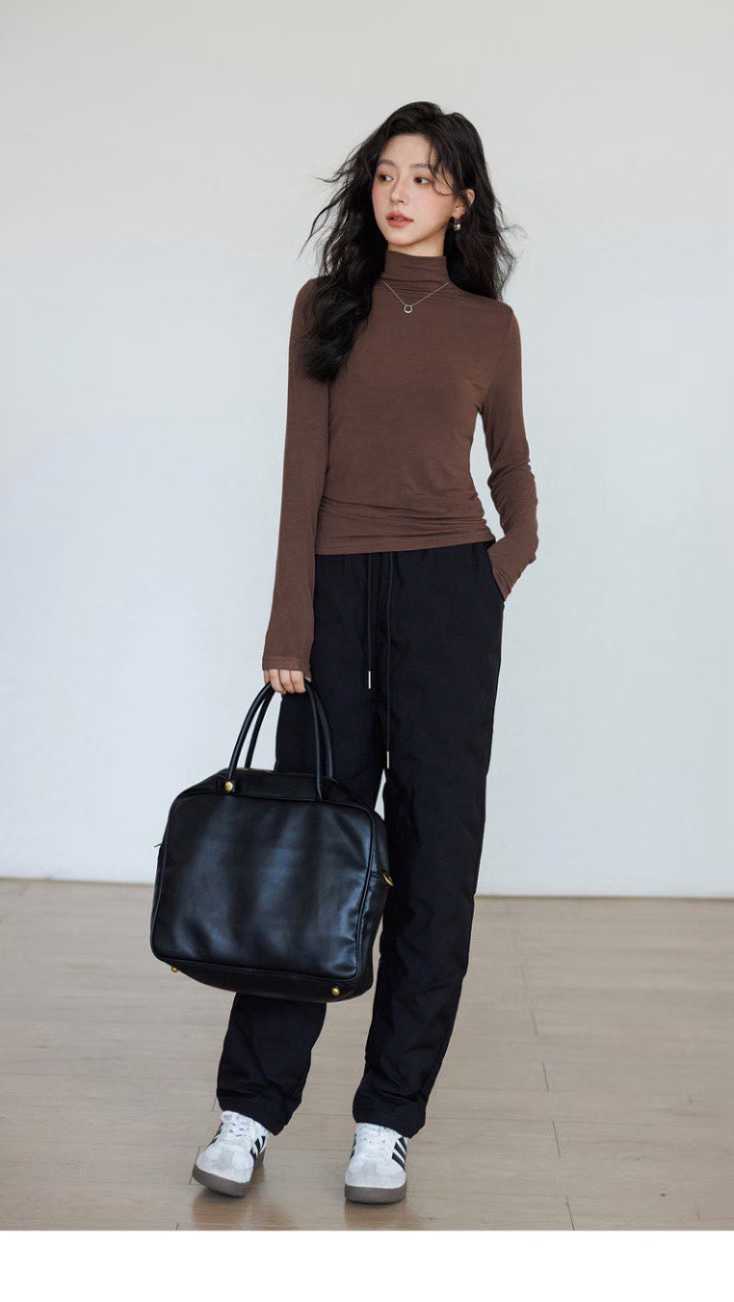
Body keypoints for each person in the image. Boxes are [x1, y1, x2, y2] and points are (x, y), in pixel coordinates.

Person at [193, 100, 539, 1204]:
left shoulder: (488, 324)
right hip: (335, 595)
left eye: (425, 177)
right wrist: (287, 621)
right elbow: (301, 469)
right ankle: (250, 1109)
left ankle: (386, 1120)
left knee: (436, 860)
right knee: (312, 849)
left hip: (449, 598)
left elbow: (510, 461)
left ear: (461, 199)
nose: (400, 192)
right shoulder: (325, 305)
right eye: (387, 173)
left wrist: (503, 561)